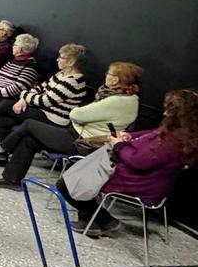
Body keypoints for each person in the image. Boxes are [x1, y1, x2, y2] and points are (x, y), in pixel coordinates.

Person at [56, 90, 198, 236]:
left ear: (179, 115)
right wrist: (130, 136)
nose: (164, 113)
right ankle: (93, 221)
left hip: (139, 183)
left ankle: (105, 221)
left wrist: (118, 145)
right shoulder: (182, 133)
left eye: (168, 110)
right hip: (141, 179)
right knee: (81, 174)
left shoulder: (172, 142)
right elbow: (150, 135)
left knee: (67, 183)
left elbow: (138, 162)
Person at [0, 61, 143, 189]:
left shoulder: (118, 101)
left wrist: (81, 115)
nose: (106, 76)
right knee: (29, 140)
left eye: (109, 73)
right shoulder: (123, 97)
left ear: (115, 80)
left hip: (84, 143)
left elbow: (75, 115)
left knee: (29, 124)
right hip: (77, 133)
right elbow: (84, 114)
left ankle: (0, 148)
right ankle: (11, 179)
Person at [0, 43, 88, 157]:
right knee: (3, 120)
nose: (57, 59)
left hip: (53, 119)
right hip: (43, 111)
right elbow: (39, 88)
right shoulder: (60, 74)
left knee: (7, 104)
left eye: (61, 57)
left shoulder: (73, 82)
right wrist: (24, 99)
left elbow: (44, 101)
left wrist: (24, 96)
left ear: (71, 62)